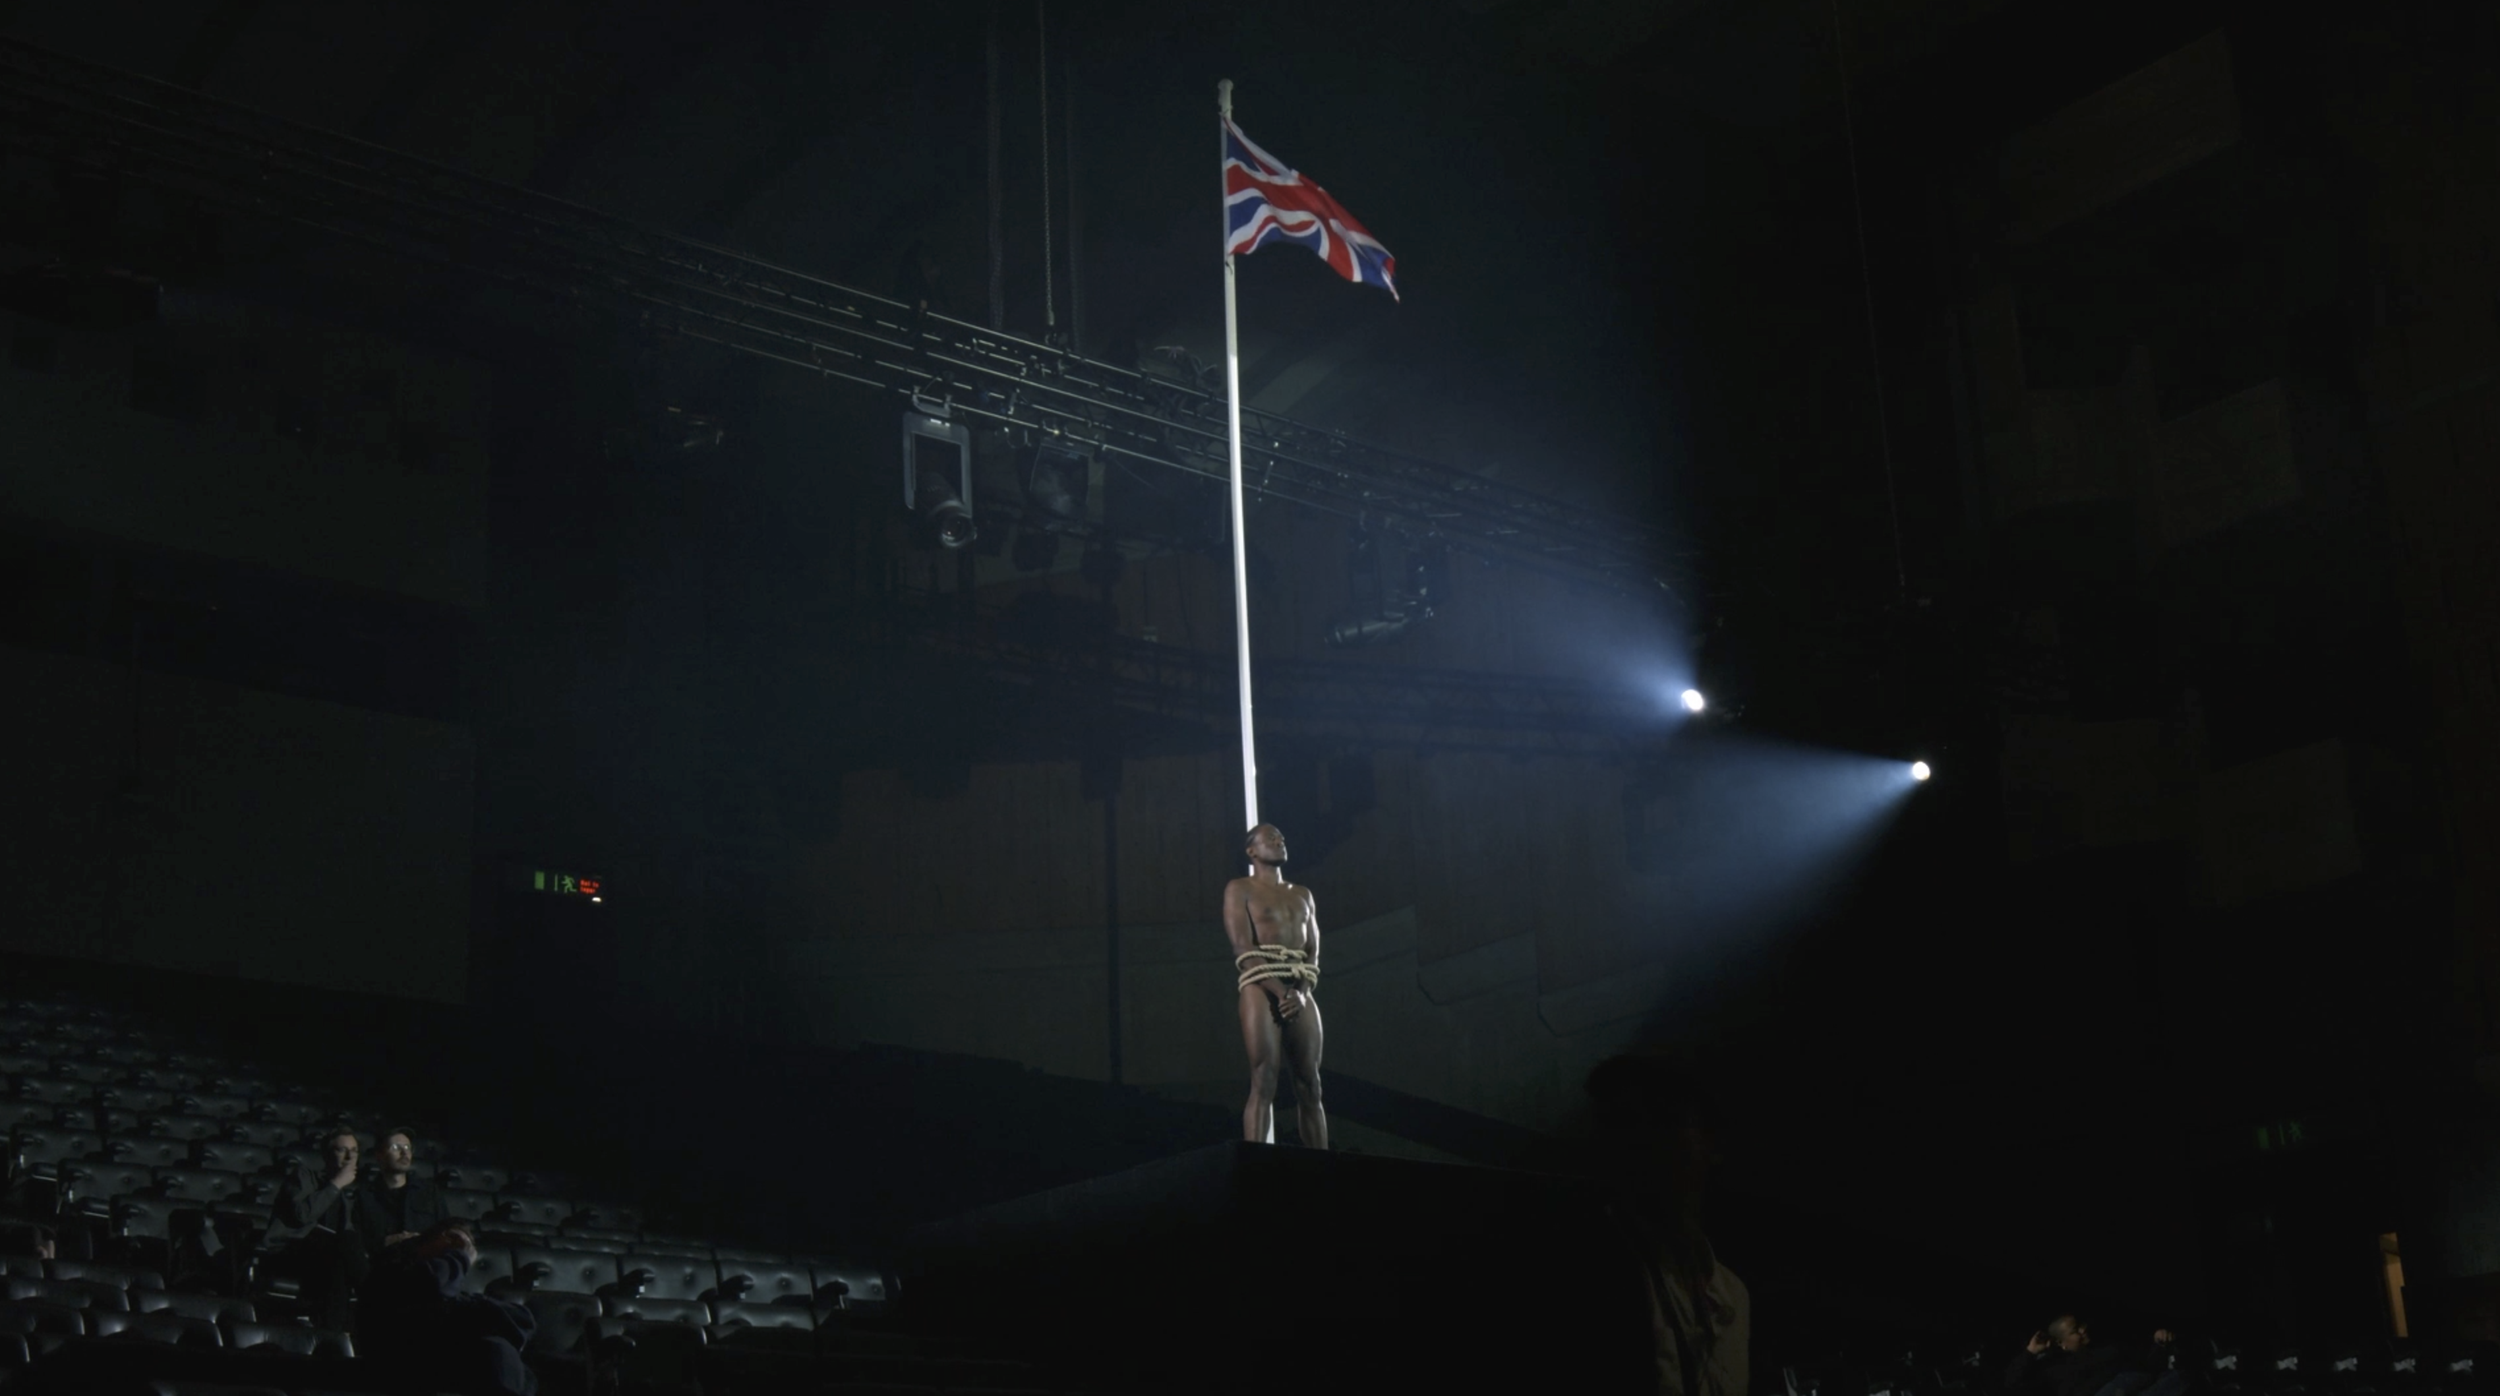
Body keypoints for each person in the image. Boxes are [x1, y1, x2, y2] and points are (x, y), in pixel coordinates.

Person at [1587, 1054, 1749, 1396]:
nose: (1644, 1139)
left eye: (1666, 1118)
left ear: (1714, 1143)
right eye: (1623, 1122)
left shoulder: (1734, 1294)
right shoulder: (1590, 1271)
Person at [1222, 823, 1326, 1148]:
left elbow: (1313, 952)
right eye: (1270, 838)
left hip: (1298, 985)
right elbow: (1243, 948)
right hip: (1261, 986)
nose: (1279, 842)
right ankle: (1256, 1165)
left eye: (1281, 838)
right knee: (1264, 1078)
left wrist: (1300, 991)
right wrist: (1281, 992)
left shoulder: (1302, 894)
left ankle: (1322, 1167)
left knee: (1311, 1084)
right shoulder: (1240, 889)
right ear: (1251, 850)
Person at [358, 1219, 537, 1396]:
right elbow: (432, 1283)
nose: (463, 1248)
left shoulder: (443, 1282)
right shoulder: (396, 1266)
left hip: (434, 1359)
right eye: (457, 1241)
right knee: (494, 1349)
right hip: (398, 1361)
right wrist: (460, 1256)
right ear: (444, 1237)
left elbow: (521, 1318)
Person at [269, 1124, 368, 1330]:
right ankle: (374, 1300)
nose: (350, 1157)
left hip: (327, 1259)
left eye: (355, 1151)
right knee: (345, 1244)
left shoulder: (346, 1196)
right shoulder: (303, 1176)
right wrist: (336, 1183)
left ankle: (331, 1334)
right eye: (342, 1150)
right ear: (326, 1155)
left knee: (343, 1257)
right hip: (289, 1253)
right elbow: (301, 1215)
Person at [2005, 1316, 2180, 1396]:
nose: (2083, 1330)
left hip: (2133, 1384)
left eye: (2081, 1325)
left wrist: (2158, 1340)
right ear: (2061, 1342)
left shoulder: (2108, 1346)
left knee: (2178, 1376)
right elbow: (2011, 1384)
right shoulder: (2052, 1367)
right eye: (2075, 1331)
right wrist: (2030, 1352)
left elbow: (2144, 1364)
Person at [352, 1126, 444, 1256]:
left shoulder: (430, 1192)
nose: (404, 1153)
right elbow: (357, 1243)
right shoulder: (364, 1196)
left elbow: (445, 1230)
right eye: (396, 1148)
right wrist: (388, 1241)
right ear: (379, 1155)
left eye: (407, 1148)